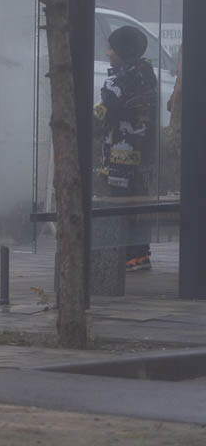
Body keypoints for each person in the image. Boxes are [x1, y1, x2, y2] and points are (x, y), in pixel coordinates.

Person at [94, 24, 159, 271]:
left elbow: (99, 120)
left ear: (122, 50)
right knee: (140, 204)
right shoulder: (147, 77)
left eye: (111, 48)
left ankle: (123, 258)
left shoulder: (118, 82)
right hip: (144, 158)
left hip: (120, 160)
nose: (108, 52)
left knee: (118, 207)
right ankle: (139, 255)